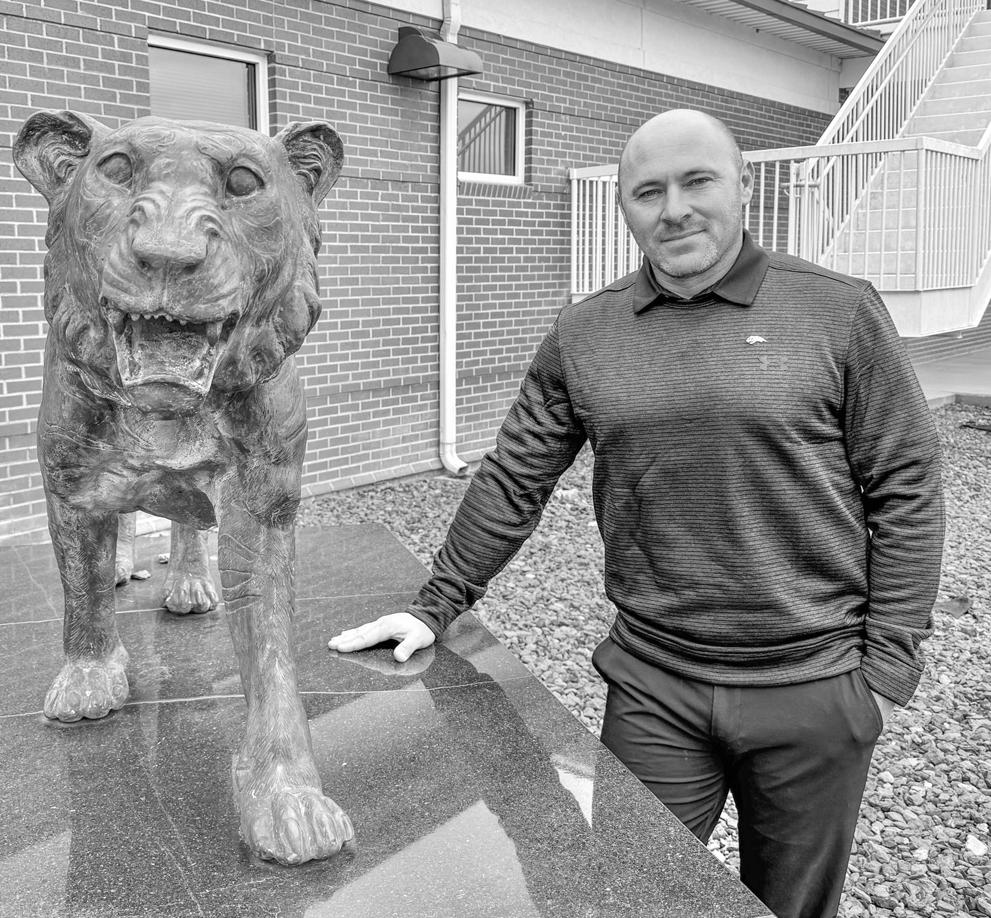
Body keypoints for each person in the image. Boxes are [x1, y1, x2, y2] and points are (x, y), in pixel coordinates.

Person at [329, 109, 944, 918]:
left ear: (743, 185)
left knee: (789, 908)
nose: (674, 209)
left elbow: (905, 484)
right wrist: (433, 606)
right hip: (654, 684)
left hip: (812, 685)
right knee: (626, 896)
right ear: (624, 205)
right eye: (648, 191)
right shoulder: (586, 331)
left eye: (697, 182)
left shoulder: (837, 311)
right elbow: (514, 477)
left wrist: (884, 672)